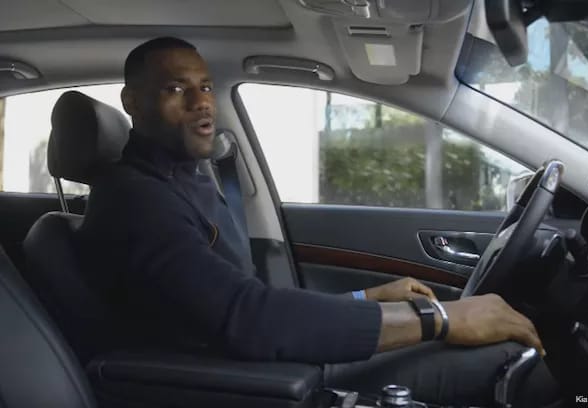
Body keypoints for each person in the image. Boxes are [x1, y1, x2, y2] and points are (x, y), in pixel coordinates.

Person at [78, 37, 559, 407]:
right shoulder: (135, 201)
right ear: (132, 102)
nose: (201, 101)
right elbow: (247, 317)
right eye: (175, 89)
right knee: (506, 361)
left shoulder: (183, 180)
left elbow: (244, 301)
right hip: (238, 381)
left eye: (204, 86)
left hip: (260, 361)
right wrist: (443, 319)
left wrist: (364, 299)